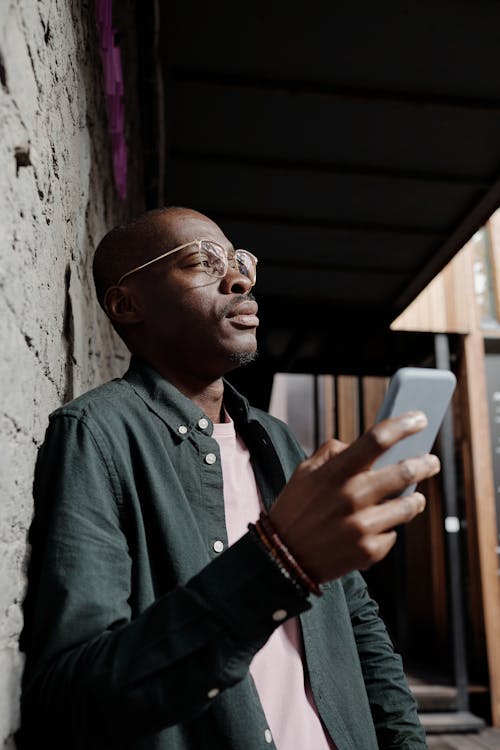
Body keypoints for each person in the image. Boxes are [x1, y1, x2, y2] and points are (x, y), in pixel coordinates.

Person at [18, 206, 438, 749]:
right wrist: (276, 562)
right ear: (127, 304)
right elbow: (71, 695)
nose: (239, 278)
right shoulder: (95, 435)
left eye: (239, 261)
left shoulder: (279, 441)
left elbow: (357, 621)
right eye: (201, 261)